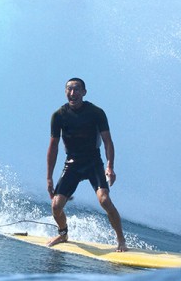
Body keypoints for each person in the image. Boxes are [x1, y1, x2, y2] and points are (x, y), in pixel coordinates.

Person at [46, 77, 128, 252]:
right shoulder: (59, 115)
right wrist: (49, 178)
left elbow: (107, 141)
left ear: (84, 92)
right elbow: (53, 147)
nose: (72, 93)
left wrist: (110, 166)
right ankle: (63, 233)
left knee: (104, 200)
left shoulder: (96, 113)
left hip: (93, 162)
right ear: (65, 91)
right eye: (69, 89)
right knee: (56, 206)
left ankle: (121, 240)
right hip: (72, 163)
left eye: (76, 89)